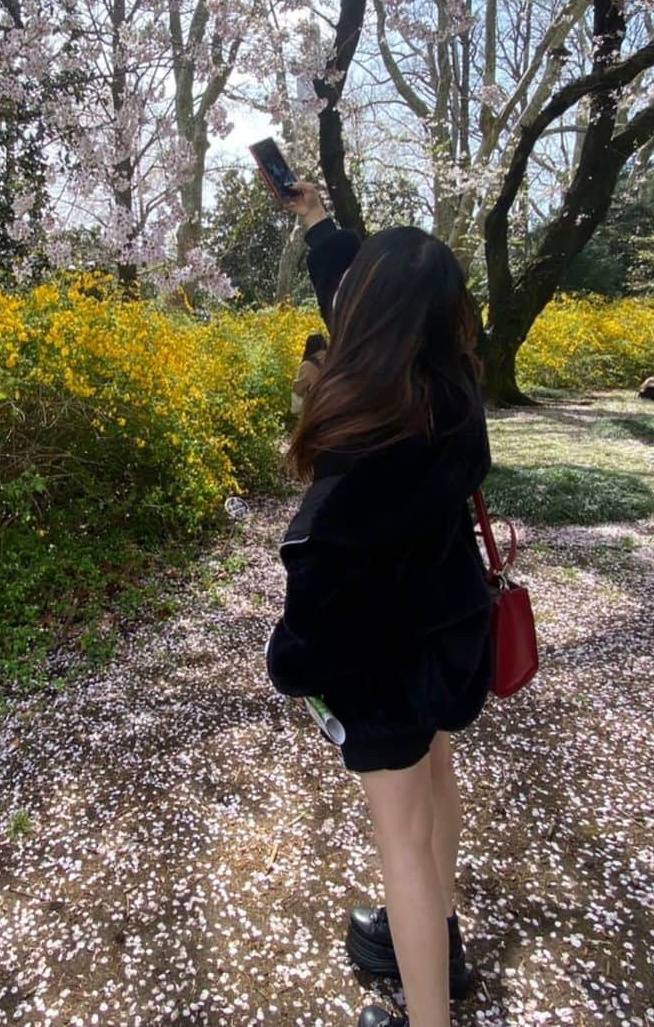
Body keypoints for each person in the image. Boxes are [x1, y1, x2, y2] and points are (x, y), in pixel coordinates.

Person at [266, 181, 492, 1027]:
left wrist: (289, 660)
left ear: (372, 317)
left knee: (398, 835)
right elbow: (374, 304)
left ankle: (423, 1003)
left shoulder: (366, 427)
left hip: (380, 653)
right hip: (446, 632)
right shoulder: (451, 384)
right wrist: (318, 223)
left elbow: (320, 582)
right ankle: (440, 938)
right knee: (435, 786)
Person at [290, 333, 328, 415]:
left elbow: (299, 389)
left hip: (315, 408)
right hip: (333, 403)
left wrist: (294, 385)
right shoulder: (333, 359)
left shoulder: (307, 365)